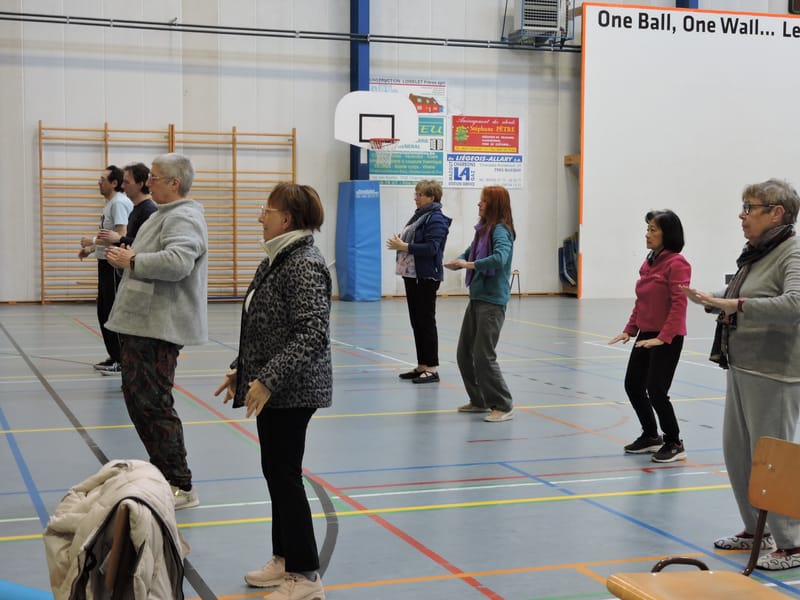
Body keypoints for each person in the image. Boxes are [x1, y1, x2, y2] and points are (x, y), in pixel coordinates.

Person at [215, 183, 331, 599]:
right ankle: (284, 559)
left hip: (293, 389)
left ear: (286, 219)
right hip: (272, 386)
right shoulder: (277, 258)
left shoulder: (303, 263)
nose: (258, 217)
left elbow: (311, 334)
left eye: (266, 210)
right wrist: (240, 371)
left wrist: (265, 379)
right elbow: (264, 325)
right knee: (276, 474)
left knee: (285, 476)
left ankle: (305, 576)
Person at [682, 179, 800, 571]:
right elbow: (748, 296)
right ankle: (756, 528)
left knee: (773, 460)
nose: (742, 214)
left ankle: (792, 543)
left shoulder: (792, 251)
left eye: (750, 207)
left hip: (776, 373)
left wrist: (733, 303)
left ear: (776, 212)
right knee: (738, 454)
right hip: (743, 366)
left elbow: (793, 303)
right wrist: (712, 300)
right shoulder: (756, 253)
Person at [104, 153, 208, 511]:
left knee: (155, 404)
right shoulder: (162, 215)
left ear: (174, 184)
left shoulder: (184, 216)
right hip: (141, 324)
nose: (149, 183)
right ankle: (165, 473)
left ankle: (180, 482)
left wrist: (132, 260)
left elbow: (179, 261)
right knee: (140, 402)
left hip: (158, 328)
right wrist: (127, 254)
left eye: (156, 177)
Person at [609, 210, 691, 463]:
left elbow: (679, 304)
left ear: (668, 234)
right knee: (633, 384)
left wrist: (663, 338)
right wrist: (629, 329)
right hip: (646, 334)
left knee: (656, 389)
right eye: (648, 229)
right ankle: (650, 435)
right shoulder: (649, 263)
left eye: (653, 229)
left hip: (668, 336)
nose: (648, 234)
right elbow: (642, 301)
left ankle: (674, 441)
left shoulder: (677, 263)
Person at [445, 185, 516, 422]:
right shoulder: (482, 230)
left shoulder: (501, 231)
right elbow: (470, 253)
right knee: (464, 353)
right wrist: (460, 260)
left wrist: (470, 265)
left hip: (492, 302)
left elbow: (500, 258)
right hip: (476, 299)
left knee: (484, 355)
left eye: (483, 201)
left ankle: (503, 404)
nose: (479, 204)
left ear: (494, 204)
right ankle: (480, 400)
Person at [386, 180, 452, 384]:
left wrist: (405, 246)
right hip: (412, 275)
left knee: (426, 321)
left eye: (420, 194)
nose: (416, 198)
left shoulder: (437, 219)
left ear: (432, 197)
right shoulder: (420, 216)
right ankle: (422, 364)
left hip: (425, 276)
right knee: (417, 321)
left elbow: (432, 248)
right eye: (416, 194)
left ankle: (432, 368)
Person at [78, 165, 132, 374]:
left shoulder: (119, 203)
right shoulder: (111, 203)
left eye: (103, 179)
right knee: (104, 311)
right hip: (105, 262)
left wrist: (92, 240)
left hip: (113, 265)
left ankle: (122, 360)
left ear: (114, 183)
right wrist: (92, 249)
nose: (99, 183)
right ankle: (114, 356)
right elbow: (108, 237)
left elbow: (120, 235)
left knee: (112, 311)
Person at [96, 162, 157, 249]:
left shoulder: (149, 211)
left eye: (126, 182)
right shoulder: (136, 208)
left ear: (140, 184)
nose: (122, 186)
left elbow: (148, 245)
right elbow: (131, 240)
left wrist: (119, 238)